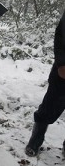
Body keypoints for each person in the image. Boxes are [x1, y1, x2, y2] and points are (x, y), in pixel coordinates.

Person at [25, 11, 65, 157]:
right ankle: (35, 142)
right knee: (49, 106)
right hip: (63, 73)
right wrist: (61, 64)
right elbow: (60, 37)